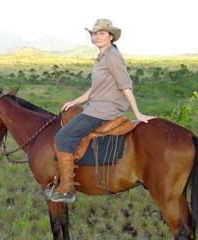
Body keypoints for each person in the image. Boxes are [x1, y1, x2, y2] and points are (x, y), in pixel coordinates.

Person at [50, 19, 155, 203]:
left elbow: (125, 85)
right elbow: (95, 89)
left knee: (62, 137)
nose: (97, 36)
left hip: (102, 111)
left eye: (102, 33)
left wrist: (137, 113)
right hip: (94, 106)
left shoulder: (112, 57)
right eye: (94, 33)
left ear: (111, 36)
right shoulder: (102, 57)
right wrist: (75, 101)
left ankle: (67, 188)